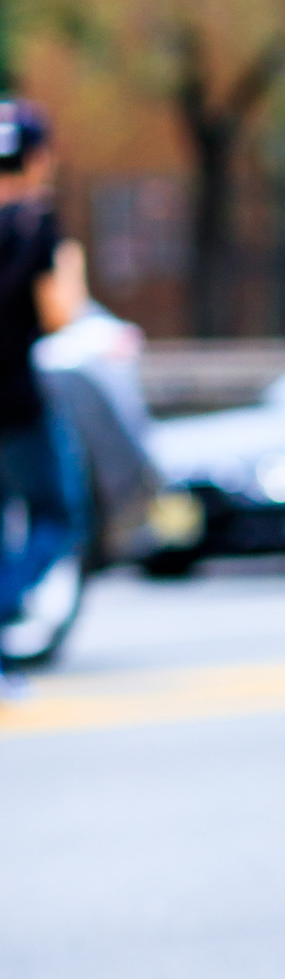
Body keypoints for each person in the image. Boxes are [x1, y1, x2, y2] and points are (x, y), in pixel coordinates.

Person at [0, 101, 85, 662]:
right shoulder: (36, 222)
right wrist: (68, 259)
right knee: (59, 514)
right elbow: (60, 314)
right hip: (14, 399)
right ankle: (7, 606)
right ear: (37, 157)